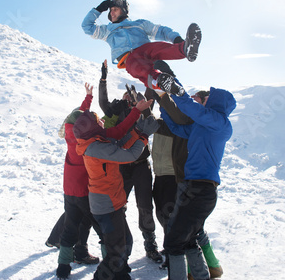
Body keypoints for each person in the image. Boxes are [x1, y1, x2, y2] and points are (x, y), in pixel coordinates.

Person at [56, 84, 153, 280]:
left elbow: (113, 133)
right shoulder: (96, 145)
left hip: (75, 192)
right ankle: (111, 269)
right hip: (97, 198)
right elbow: (123, 148)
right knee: (109, 240)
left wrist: (135, 114)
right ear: (91, 126)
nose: (101, 121)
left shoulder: (81, 135)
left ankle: (65, 266)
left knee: (72, 228)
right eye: (97, 120)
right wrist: (142, 135)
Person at [146, 61, 224, 278]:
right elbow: (173, 120)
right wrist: (158, 96)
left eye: (199, 99)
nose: (194, 101)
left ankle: (197, 271)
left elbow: (180, 109)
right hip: (186, 180)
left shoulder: (201, 119)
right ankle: (208, 269)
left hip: (192, 184)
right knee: (192, 232)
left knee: (180, 235)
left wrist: (167, 80)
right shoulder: (195, 125)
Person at [158, 75, 236, 280]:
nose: (206, 101)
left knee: (173, 242)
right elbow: (177, 129)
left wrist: (177, 90)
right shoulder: (201, 125)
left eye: (210, 99)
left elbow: (192, 108)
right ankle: (202, 275)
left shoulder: (220, 123)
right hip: (190, 186)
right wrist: (163, 106)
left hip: (201, 190)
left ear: (218, 102)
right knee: (189, 238)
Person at [98, 60, 163, 264]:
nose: (128, 96)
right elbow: (103, 102)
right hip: (122, 166)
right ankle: (117, 244)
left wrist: (146, 87)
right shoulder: (117, 110)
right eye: (127, 94)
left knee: (145, 205)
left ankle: (150, 243)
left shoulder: (143, 111)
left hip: (142, 165)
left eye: (131, 95)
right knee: (118, 206)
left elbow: (151, 116)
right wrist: (103, 78)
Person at [81, 0, 202, 91]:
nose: (112, 13)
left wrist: (177, 39)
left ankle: (185, 49)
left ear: (123, 11)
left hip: (146, 51)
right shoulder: (107, 30)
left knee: (157, 47)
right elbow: (87, 27)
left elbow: (161, 30)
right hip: (128, 58)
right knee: (137, 66)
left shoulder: (139, 24)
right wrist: (99, 9)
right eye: (110, 10)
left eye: (115, 10)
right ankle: (159, 81)